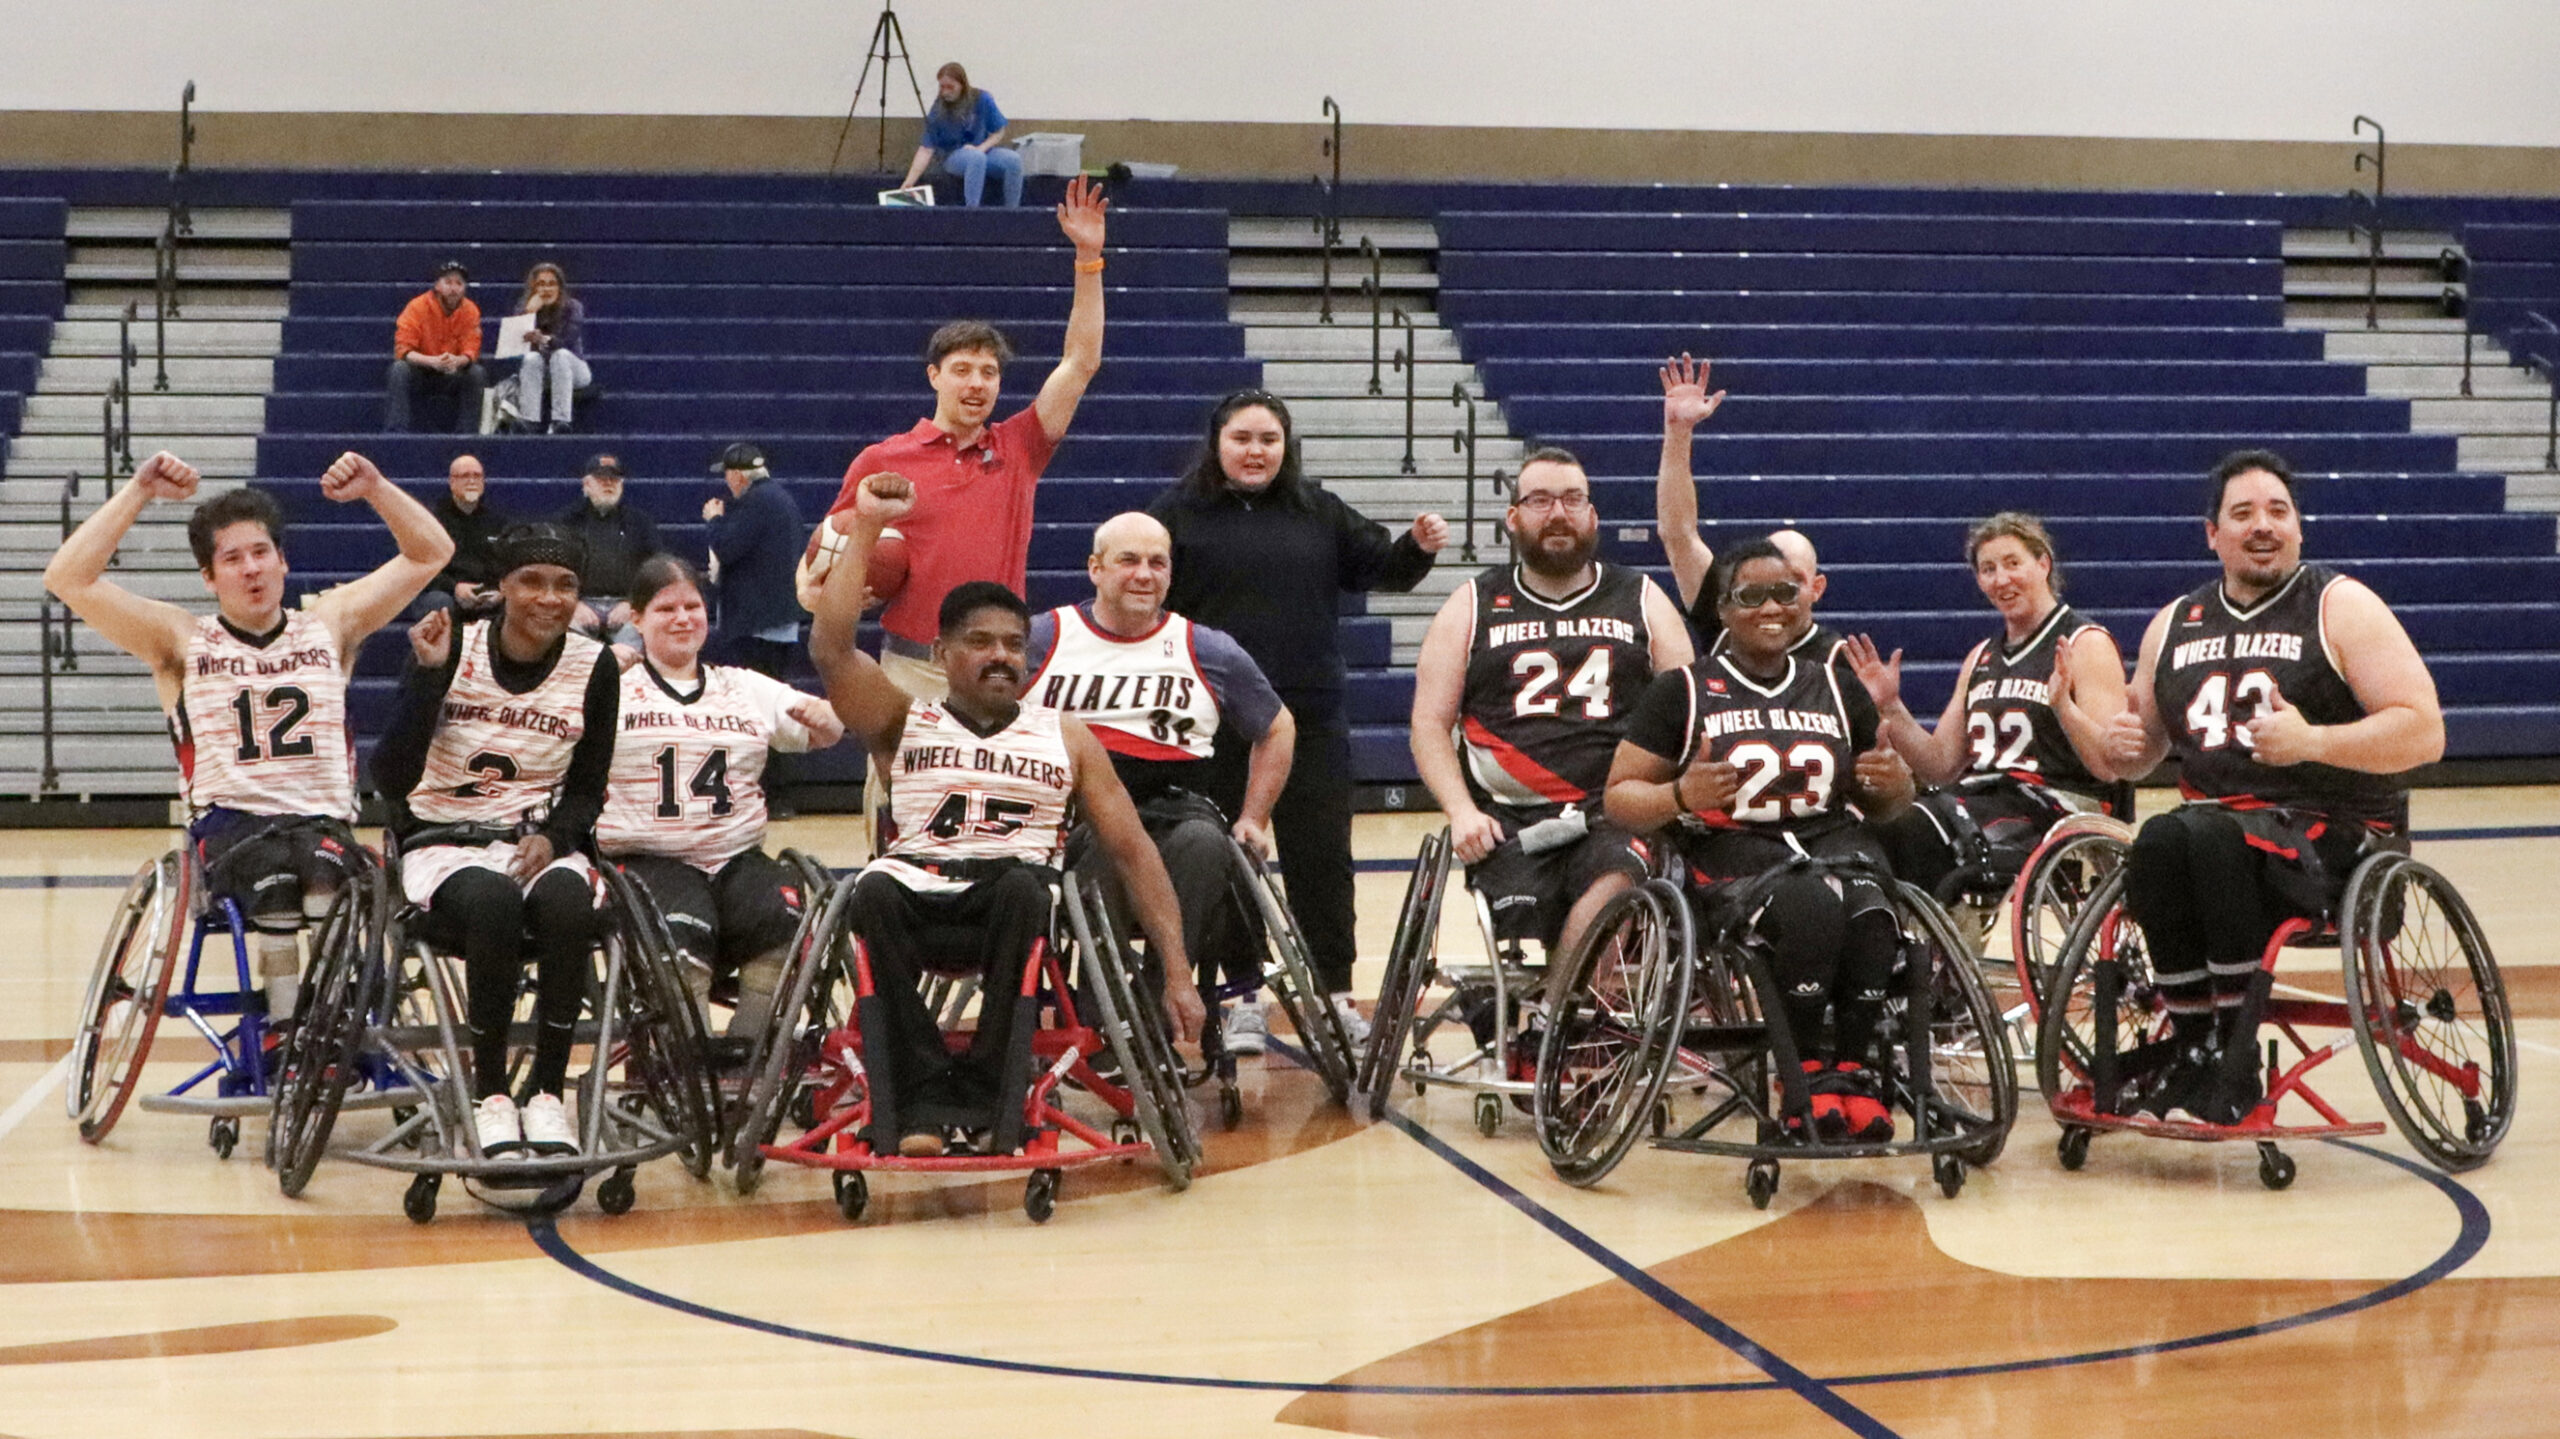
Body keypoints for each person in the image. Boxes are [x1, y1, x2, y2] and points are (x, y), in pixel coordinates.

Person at [808, 472, 1205, 1156]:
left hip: (1010, 904)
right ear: (940, 655)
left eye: (1013, 644)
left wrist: (1177, 972)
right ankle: (923, 1097)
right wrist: (868, 524)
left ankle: (994, 1096)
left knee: (1026, 886)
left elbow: (1134, 849)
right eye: (979, 642)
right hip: (915, 896)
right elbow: (832, 650)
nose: (1000, 655)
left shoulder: (1066, 734)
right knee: (870, 886)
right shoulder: (905, 719)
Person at [44, 451, 452, 1020]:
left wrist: (377, 488)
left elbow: (432, 552)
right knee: (280, 892)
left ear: (283, 561)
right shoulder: (181, 639)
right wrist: (138, 491)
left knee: (326, 887)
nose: (251, 568)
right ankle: (286, 1030)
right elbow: (67, 577)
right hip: (230, 825)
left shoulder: (331, 623)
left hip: (322, 821)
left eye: (261, 553)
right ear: (209, 577)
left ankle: (335, 1025)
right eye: (232, 559)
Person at [2100, 449, 2443, 1125]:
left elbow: (2425, 732)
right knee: (2159, 838)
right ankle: (2196, 1051)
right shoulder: (2174, 621)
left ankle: (2236, 1058)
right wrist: (2111, 740)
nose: (2264, 525)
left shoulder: (2340, 605)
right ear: (2212, 533)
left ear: (2299, 528)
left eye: (2279, 511)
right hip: (2213, 835)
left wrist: (2314, 740)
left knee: (2205, 834)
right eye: (2244, 513)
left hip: (2333, 840)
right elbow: (2136, 758)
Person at [1149, 390, 1448, 1037]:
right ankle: (1243, 998)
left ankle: (1334, 992)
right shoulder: (1176, 513)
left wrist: (1417, 546)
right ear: (1217, 443)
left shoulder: (1319, 510)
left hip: (1308, 717)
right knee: (1227, 857)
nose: (1256, 451)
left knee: (1323, 860)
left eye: (1268, 439)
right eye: (1242, 438)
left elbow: (1382, 568)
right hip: (1213, 722)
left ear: (1286, 446)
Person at [1606, 538, 1917, 1142]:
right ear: (1722, 608)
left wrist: (1894, 785)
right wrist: (1678, 796)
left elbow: (1888, 802)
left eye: (1785, 592)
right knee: (1809, 908)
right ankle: (1798, 1076)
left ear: (1805, 600)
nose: (1772, 607)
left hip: (1833, 841)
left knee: (1875, 914)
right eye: (1752, 596)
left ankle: (1849, 1073)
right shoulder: (1682, 691)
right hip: (1732, 850)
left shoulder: (1835, 685)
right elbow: (1618, 797)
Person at [371, 525, 621, 1159]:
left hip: (534, 839)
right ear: (504, 586)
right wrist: (427, 680)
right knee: (494, 903)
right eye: (532, 581)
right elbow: (391, 778)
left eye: (566, 585)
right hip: (442, 840)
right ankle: (491, 1096)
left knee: (568, 906)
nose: (550, 598)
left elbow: (589, 789)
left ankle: (545, 1094)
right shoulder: (451, 647)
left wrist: (557, 837)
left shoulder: (595, 664)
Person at [814, 175, 1111, 701]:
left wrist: (1088, 259)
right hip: (911, 667)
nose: (977, 383)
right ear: (934, 376)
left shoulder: (1020, 445)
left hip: (1000, 664)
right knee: (901, 787)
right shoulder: (883, 459)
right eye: (963, 370)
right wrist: (825, 587)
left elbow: (1080, 361)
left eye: (989, 372)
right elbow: (825, 554)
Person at [1409, 446, 1693, 974]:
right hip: (1509, 820)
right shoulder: (1471, 604)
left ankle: (1564, 1020)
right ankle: (1567, 1022)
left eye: (1572, 499)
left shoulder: (1642, 597)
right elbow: (1428, 724)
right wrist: (1460, 810)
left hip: (1615, 810)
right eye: (1540, 500)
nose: (1558, 513)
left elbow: (1691, 709)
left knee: (1615, 886)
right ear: (1513, 517)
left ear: (1592, 515)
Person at [1024, 511, 1295, 1052]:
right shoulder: (1043, 637)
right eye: (1128, 560)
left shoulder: (1207, 648)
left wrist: (1254, 817)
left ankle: (1156, 1001)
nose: (1144, 574)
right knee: (1104, 848)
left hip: (1177, 805)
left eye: (1157, 562)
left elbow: (1278, 726)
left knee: (1204, 845)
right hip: (1076, 815)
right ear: (1095, 569)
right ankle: (1105, 1013)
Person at [598, 555, 843, 1049]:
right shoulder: (610, 690)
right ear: (637, 618)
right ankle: (689, 1065)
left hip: (735, 857)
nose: (683, 617)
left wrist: (827, 719)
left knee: (786, 926)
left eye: (693, 606)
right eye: (667, 608)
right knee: (681, 939)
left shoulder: (744, 686)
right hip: (649, 857)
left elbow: (825, 731)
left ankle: (744, 1054)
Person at [1846, 512, 2132, 898]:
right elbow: (1940, 765)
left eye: (2013, 563)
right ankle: (1922, 946)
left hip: (2058, 806)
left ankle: (1934, 946)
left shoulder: (2085, 642)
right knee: (1881, 824)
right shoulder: (1981, 656)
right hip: (1983, 799)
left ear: (2043, 563)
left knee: (1915, 828)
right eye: (1988, 569)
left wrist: (2063, 706)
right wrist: (1891, 707)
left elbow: (2109, 766)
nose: (2002, 579)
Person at [1651, 357, 1844, 664]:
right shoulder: (1728, 621)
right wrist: (1678, 432)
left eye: (1791, 584)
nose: (1772, 601)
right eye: (1759, 585)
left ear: (1816, 588)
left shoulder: (1838, 659)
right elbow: (1678, 534)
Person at [702, 442, 805, 679]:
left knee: (757, 690)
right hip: (778, 617)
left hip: (759, 622)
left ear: (737, 475)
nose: (726, 482)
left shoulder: (756, 501)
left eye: (726, 475)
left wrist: (715, 520)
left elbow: (727, 548)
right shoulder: (779, 497)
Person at [562, 453, 661, 637]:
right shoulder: (567, 521)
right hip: (579, 606)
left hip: (627, 606)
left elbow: (656, 567)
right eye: (601, 479)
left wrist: (633, 603)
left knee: (632, 642)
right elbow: (554, 568)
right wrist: (573, 603)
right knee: (571, 641)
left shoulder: (640, 523)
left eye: (614, 479)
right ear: (586, 485)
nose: (608, 483)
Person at [899, 62, 1023, 208]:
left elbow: (998, 130)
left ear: (962, 85)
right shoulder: (938, 109)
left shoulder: (982, 99)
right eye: (942, 87)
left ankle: (1012, 211)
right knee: (976, 159)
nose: (945, 92)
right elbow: (926, 149)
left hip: (981, 149)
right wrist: (910, 181)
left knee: (1014, 160)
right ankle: (971, 211)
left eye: (950, 87)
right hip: (952, 155)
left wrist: (981, 148)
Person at [386, 260, 485, 434]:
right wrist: (432, 361)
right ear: (437, 285)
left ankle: (467, 433)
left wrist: (458, 360)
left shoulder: (471, 310)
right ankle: (396, 431)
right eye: (448, 282)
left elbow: (471, 349)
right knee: (399, 369)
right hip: (422, 371)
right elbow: (404, 351)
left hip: (452, 372)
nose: (453, 288)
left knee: (476, 373)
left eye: (459, 283)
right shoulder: (416, 307)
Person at [503, 262, 590, 434]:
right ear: (533, 287)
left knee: (560, 355)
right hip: (541, 373)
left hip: (573, 370)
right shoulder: (525, 307)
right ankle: (529, 420)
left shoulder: (573, 307)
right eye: (541, 284)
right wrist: (529, 313)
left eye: (552, 284)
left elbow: (567, 340)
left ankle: (560, 421)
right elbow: (511, 347)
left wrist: (543, 339)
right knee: (531, 358)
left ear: (560, 287)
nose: (547, 289)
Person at [421, 453, 509, 616]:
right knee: (438, 602)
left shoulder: (498, 523)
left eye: (477, 476)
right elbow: (421, 567)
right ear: (452, 482)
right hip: (444, 591)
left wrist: (500, 591)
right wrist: (455, 588)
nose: (471, 481)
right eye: (465, 476)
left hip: (486, 593)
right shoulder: (431, 521)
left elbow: (506, 565)